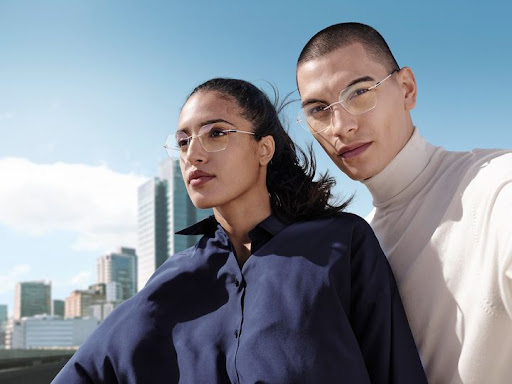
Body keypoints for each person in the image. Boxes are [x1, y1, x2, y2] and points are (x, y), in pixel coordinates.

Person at [52, 78, 426, 383]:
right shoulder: (171, 278)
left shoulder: (341, 243)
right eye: (183, 141)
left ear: (264, 149)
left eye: (216, 133)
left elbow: (396, 368)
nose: (193, 154)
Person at [296, 22, 512, 384]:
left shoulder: (495, 187)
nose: (340, 126)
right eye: (318, 109)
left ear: (407, 89)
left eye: (359, 92)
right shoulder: (356, 247)